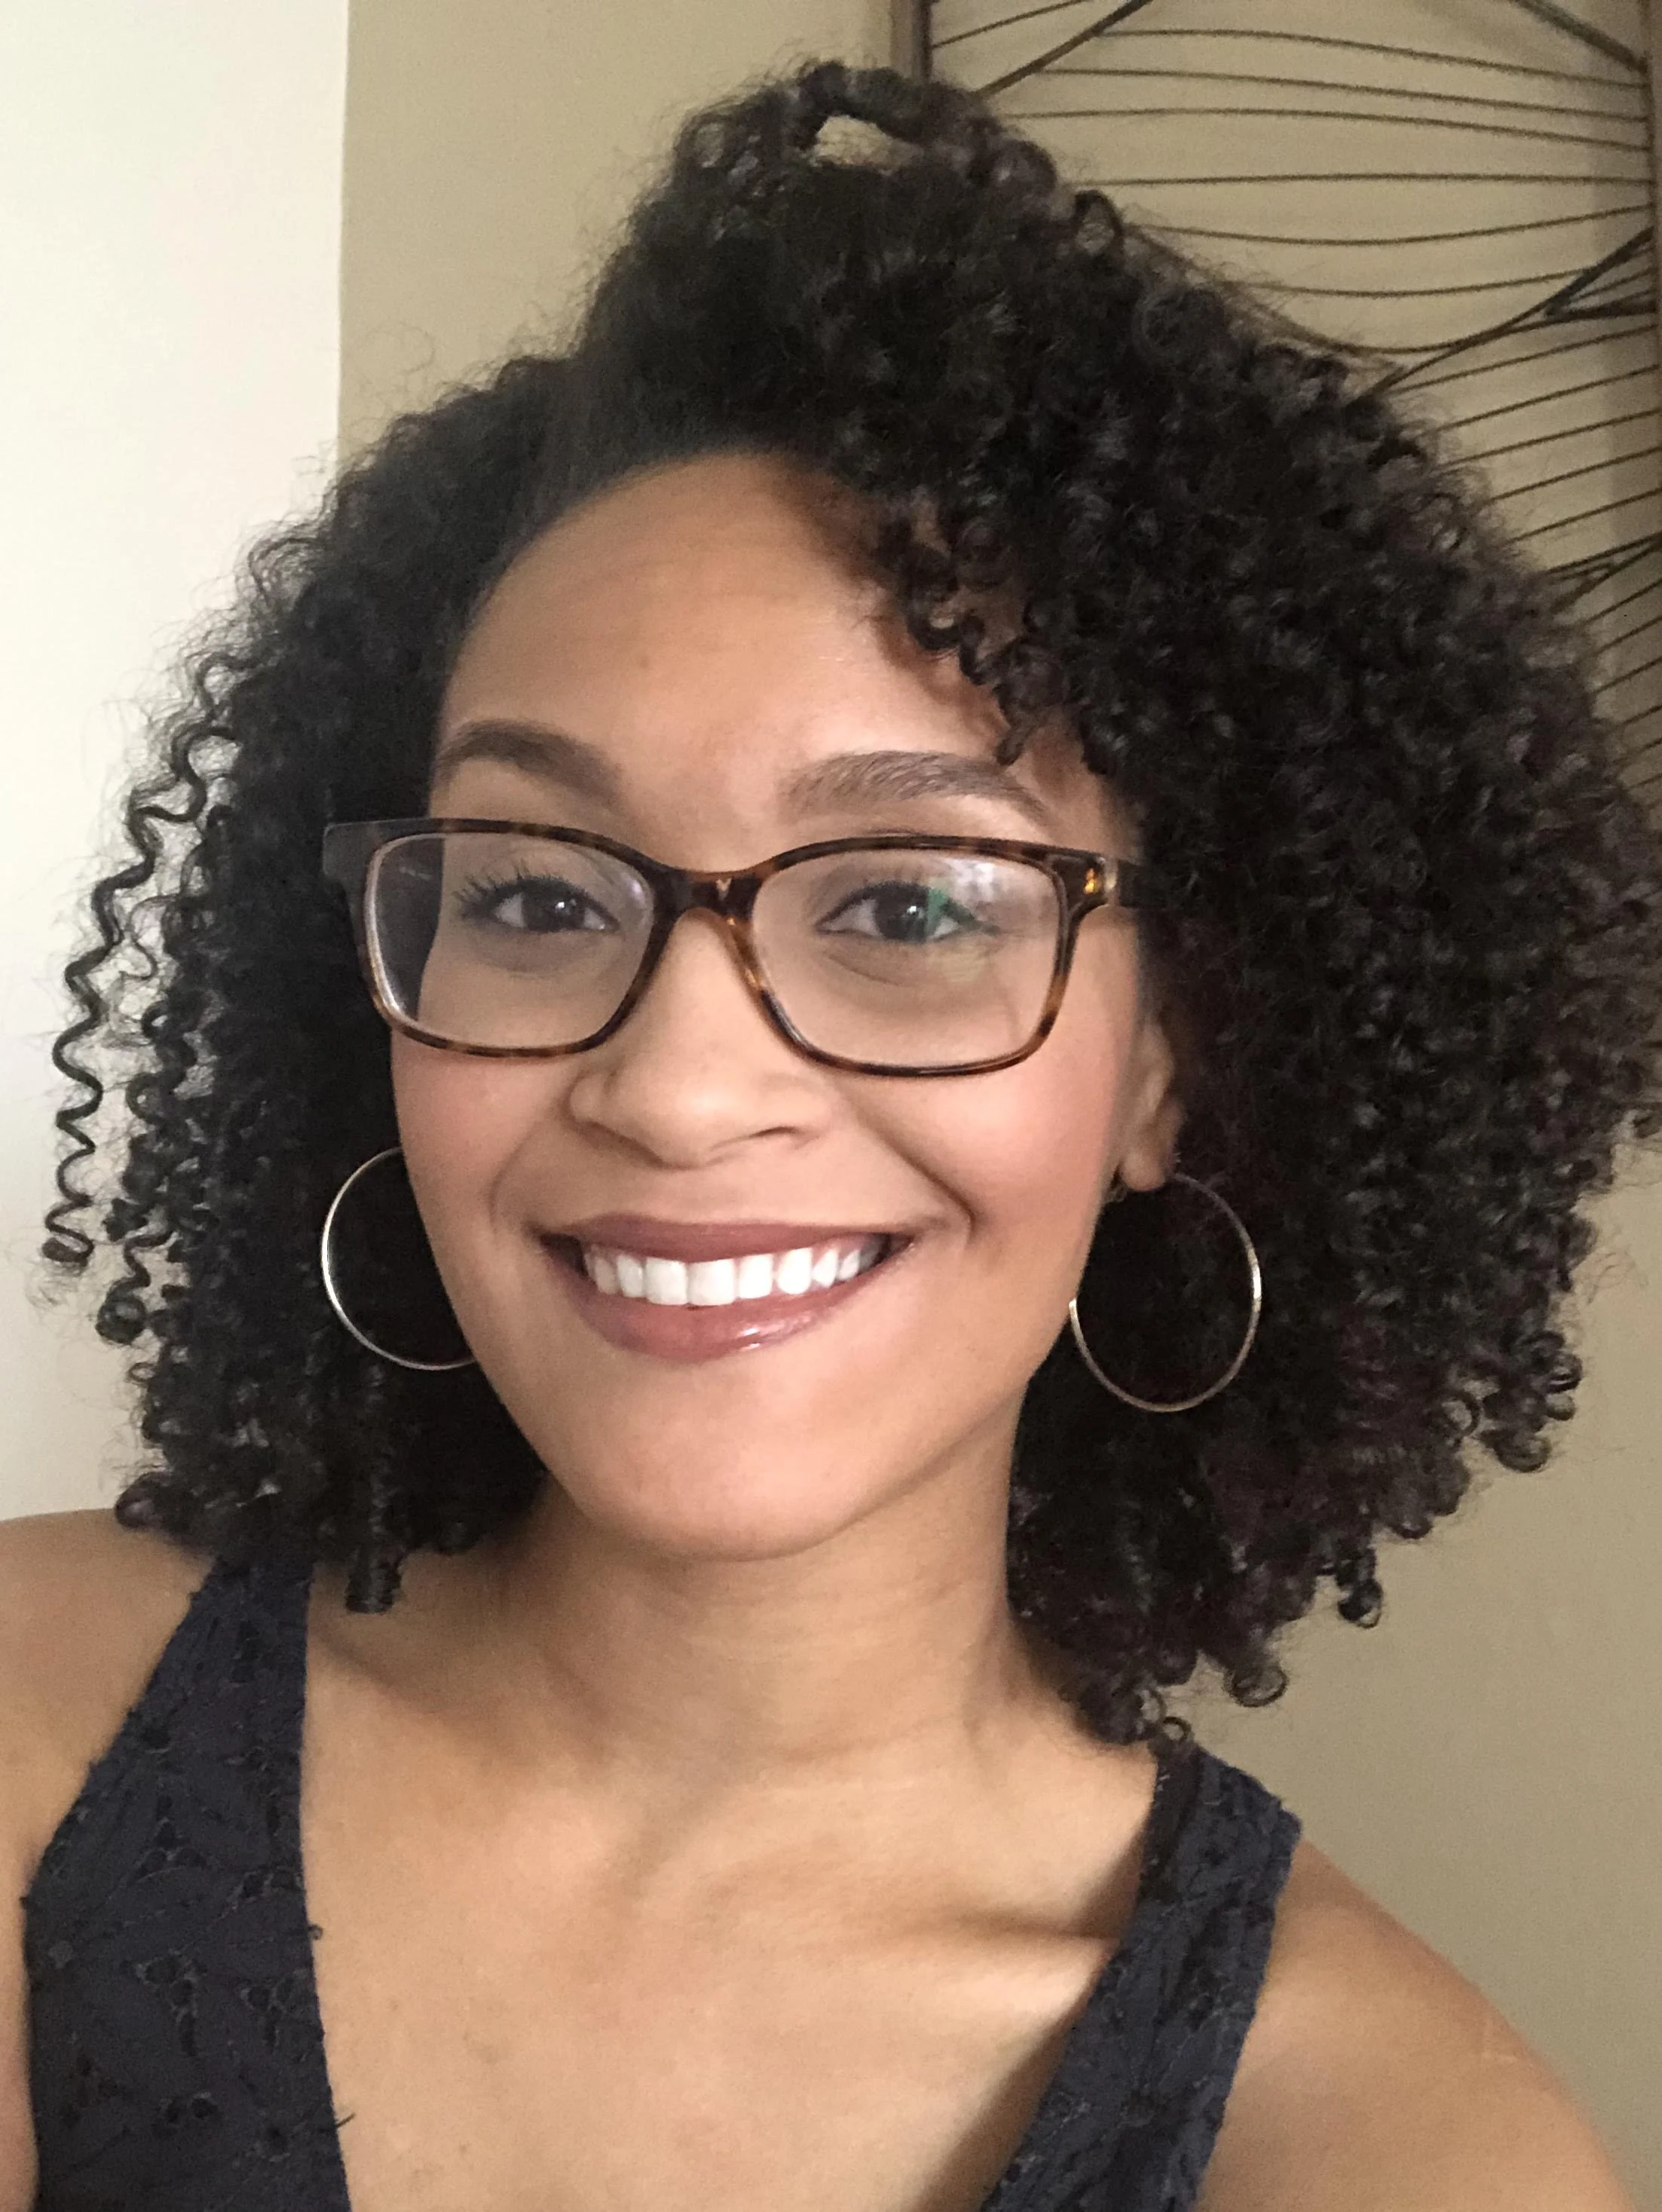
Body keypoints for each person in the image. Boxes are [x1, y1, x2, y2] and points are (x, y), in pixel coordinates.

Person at [1, 56, 1654, 2212]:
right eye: (531, 891)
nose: (676, 1085)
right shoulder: (38, 1729)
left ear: (1173, 1058)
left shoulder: (1400, 2150)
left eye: (901, 903)